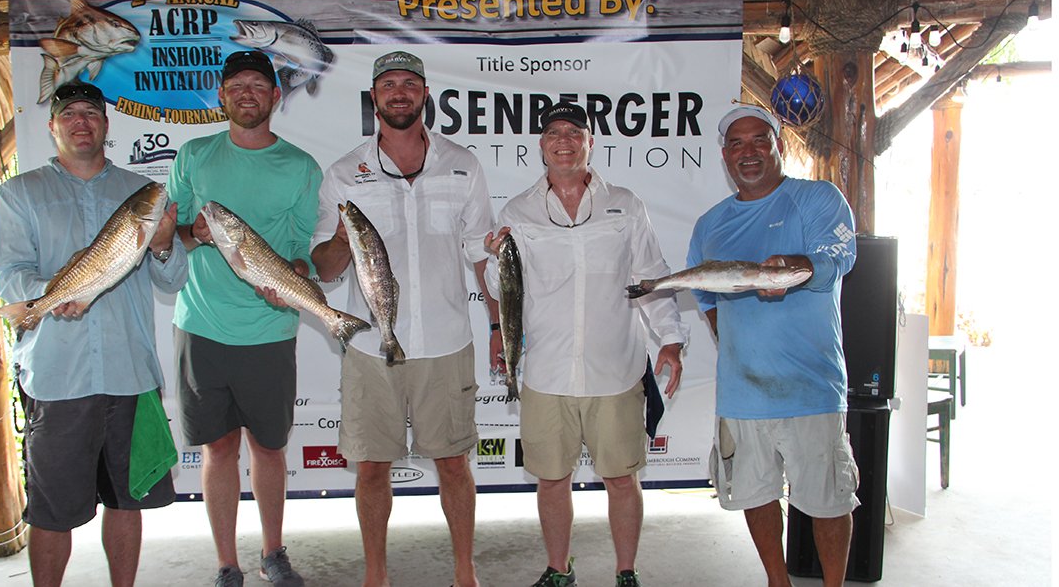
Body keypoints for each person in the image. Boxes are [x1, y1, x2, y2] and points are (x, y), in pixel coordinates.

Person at [0, 80, 187, 587]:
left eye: (91, 114)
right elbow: (7, 275)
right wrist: (57, 292)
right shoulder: (19, 193)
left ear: (106, 124)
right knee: (51, 511)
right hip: (57, 376)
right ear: (53, 126)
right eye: (70, 114)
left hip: (129, 373)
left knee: (127, 499)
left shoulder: (142, 193)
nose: (81, 122)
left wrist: (164, 244)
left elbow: (172, 279)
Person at [311, 50, 497, 587]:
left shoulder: (463, 163)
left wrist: (496, 326)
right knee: (371, 467)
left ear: (425, 94)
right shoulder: (344, 173)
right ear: (374, 97)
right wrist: (340, 244)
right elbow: (324, 269)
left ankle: (465, 572)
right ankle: (376, 576)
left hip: (446, 342)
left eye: (409, 84)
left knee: (455, 464)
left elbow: (479, 255)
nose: (399, 93)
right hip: (372, 348)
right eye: (388, 84)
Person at [482, 103, 687, 587]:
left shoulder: (625, 203)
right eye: (553, 132)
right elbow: (503, 285)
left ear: (590, 142)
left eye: (574, 132)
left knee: (621, 478)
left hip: (614, 371)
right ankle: (559, 570)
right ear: (541, 145)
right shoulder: (518, 210)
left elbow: (651, 278)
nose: (564, 141)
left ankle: (625, 572)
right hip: (548, 372)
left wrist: (672, 340)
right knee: (552, 479)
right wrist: (494, 257)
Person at [166, 50, 322, 587]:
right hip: (202, 327)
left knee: (269, 448)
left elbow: (302, 251)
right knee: (218, 448)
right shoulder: (193, 155)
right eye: (238, 85)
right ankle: (226, 563)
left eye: (260, 84)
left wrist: (292, 281)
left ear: (277, 97)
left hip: (270, 330)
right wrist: (195, 234)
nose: (249, 93)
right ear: (222, 95)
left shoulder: (302, 166)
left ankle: (273, 553)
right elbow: (172, 234)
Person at [689, 105, 859, 587]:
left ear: (778, 146)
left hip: (813, 387)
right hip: (743, 393)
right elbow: (703, 288)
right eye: (737, 144)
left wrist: (795, 266)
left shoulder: (818, 198)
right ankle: (776, 582)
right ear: (724, 156)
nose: (749, 152)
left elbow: (837, 258)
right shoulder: (710, 223)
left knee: (829, 498)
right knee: (755, 494)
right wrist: (733, 339)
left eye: (760, 140)